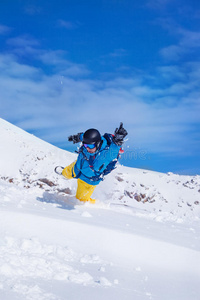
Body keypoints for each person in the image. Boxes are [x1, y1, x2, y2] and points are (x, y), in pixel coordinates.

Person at [62, 122, 128, 204]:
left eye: (90, 146)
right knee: (65, 173)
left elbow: (113, 152)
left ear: (97, 143)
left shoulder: (105, 154)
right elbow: (83, 137)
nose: (87, 148)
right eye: (85, 146)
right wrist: (76, 137)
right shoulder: (89, 142)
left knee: (80, 201)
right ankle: (63, 173)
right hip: (77, 166)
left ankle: (95, 205)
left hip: (87, 180)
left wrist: (117, 142)